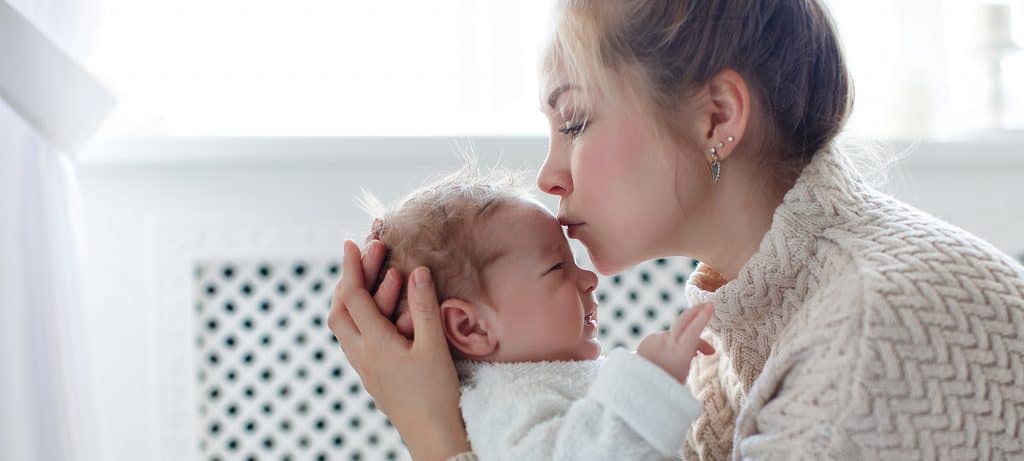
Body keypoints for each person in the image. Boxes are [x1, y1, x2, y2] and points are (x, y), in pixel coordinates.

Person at [329, 1, 1024, 459]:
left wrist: (435, 434)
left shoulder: (866, 334)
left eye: (574, 122)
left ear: (717, 118)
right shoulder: (747, 323)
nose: (547, 175)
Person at [356, 165, 714, 460]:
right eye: (558, 268)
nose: (589, 278)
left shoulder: (536, 382)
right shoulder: (507, 405)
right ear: (470, 327)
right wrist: (650, 381)